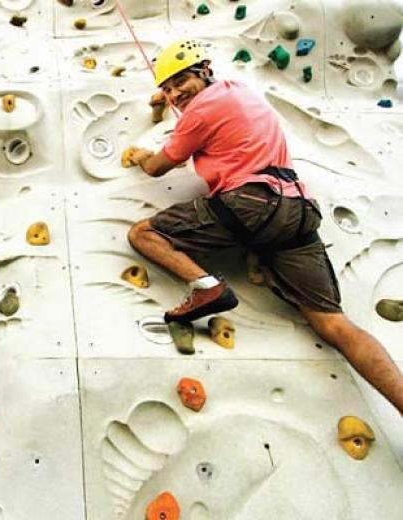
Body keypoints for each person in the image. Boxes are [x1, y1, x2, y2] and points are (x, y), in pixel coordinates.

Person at [125, 39, 403, 414]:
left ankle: (207, 288)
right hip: (297, 209)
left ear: (203, 71)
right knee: (334, 324)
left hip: (249, 204)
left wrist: (143, 155)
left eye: (180, 82)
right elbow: (205, 117)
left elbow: (160, 165)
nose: (176, 92)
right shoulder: (239, 91)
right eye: (169, 88)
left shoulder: (199, 112)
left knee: (143, 234)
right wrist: (169, 101)